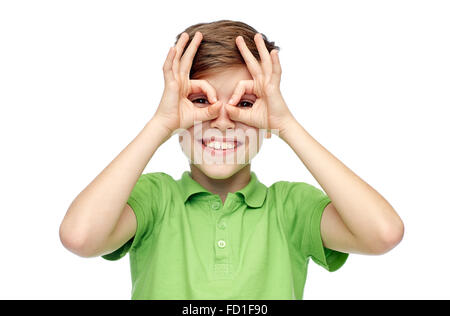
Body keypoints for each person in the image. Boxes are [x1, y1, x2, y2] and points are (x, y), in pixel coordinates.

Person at [59, 20, 404, 300]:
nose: (222, 121)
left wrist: (287, 124)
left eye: (244, 104)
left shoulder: (290, 208)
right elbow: (80, 237)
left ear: (266, 123)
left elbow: (383, 233)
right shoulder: (154, 198)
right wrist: (159, 124)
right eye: (199, 101)